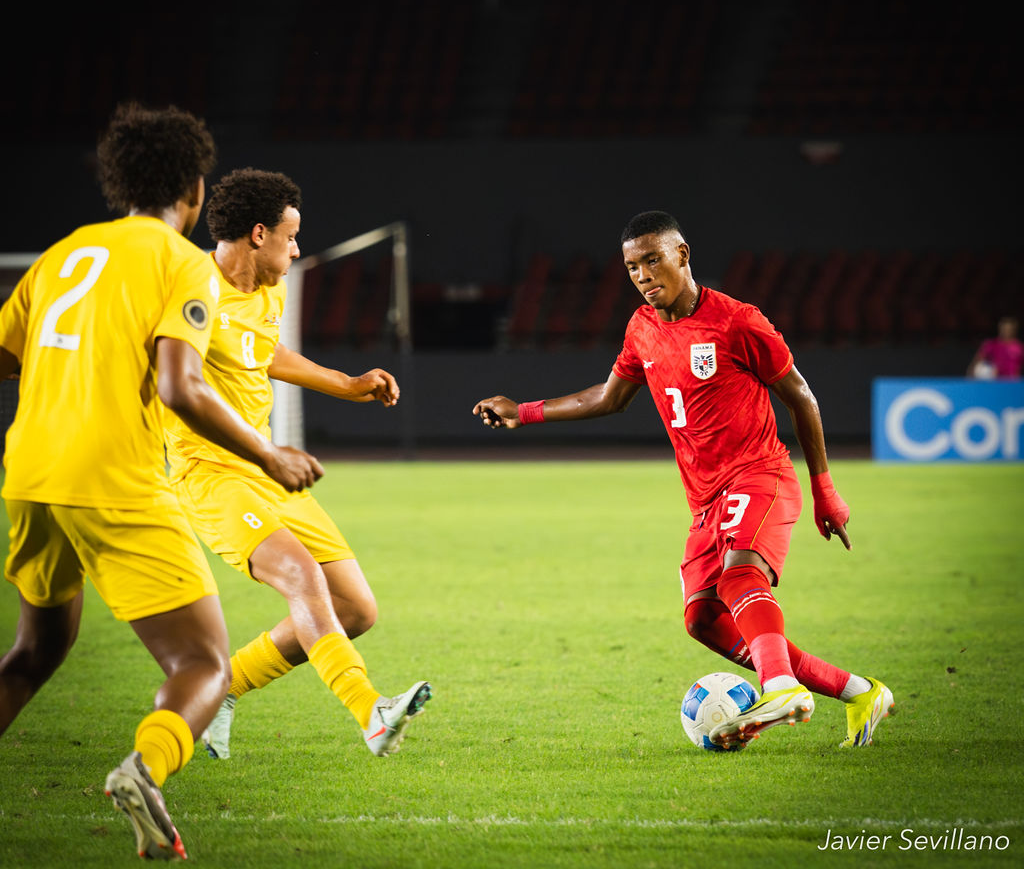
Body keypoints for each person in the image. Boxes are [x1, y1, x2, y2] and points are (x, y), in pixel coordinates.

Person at [0, 103, 323, 861]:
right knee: (203, 664)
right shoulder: (182, 264)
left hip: (30, 476)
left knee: (36, 652)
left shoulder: (65, 254)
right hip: (113, 476)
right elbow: (181, 386)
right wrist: (267, 453)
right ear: (194, 187)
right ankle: (145, 769)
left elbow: (8, 354)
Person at [473, 211, 893, 750]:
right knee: (702, 618)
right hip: (705, 500)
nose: (644, 275)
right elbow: (608, 398)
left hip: (760, 475)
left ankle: (781, 686)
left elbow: (801, 398)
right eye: (632, 267)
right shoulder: (641, 328)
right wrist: (524, 411)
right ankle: (860, 692)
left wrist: (825, 490)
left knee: (741, 577)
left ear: (683, 255)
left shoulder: (738, 322)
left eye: (653, 259)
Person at [163, 167, 430, 762]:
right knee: (303, 580)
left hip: (266, 467)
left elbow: (268, 352)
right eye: (291, 235)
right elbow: (170, 381)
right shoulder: (192, 290)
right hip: (210, 474)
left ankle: (221, 687)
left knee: (357, 609)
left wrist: (348, 384)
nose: (297, 247)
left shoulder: (268, 288)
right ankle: (371, 711)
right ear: (258, 233)